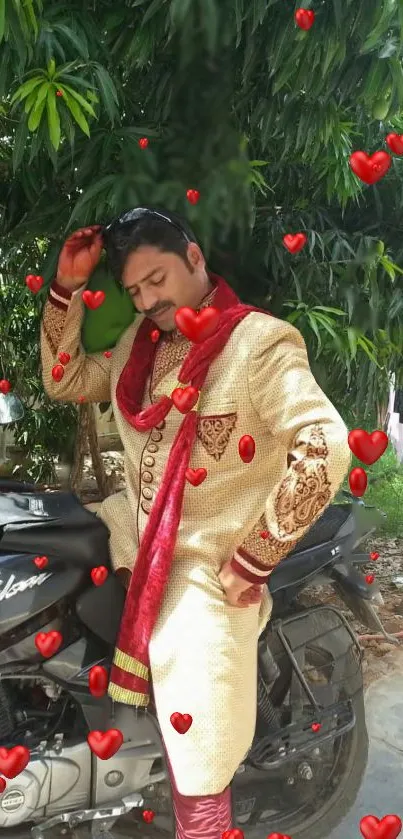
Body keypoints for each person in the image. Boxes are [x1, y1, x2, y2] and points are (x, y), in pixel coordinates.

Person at [40, 207, 351, 839]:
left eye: (157, 278)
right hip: (130, 535)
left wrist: (253, 559)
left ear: (195, 257)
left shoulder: (258, 344)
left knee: (197, 727)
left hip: (204, 565)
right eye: (134, 290)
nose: (149, 299)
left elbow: (326, 444)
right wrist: (65, 289)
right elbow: (64, 379)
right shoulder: (140, 347)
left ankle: (202, 820)